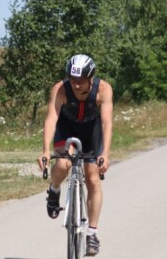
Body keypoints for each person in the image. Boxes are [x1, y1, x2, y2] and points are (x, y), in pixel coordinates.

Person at [37, 54, 113, 256]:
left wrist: (105, 153)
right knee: (62, 165)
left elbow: (106, 123)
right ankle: (54, 191)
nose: (76, 86)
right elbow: (51, 119)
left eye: (80, 81)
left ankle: (92, 233)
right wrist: (45, 150)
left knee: (93, 178)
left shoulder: (103, 90)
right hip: (67, 128)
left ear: (91, 78)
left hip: (92, 131)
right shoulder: (60, 89)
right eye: (72, 80)